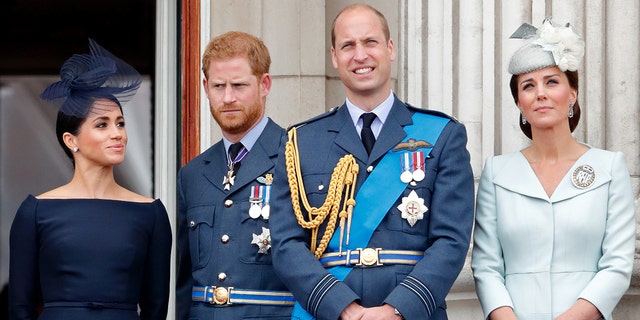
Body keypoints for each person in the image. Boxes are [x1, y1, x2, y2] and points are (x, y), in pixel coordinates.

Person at [269, 4, 474, 320]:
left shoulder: (442, 135)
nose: (360, 55)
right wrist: (343, 308)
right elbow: (285, 245)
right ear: (334, 56)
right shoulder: (300, 142)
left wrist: (396, 310)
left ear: (390, 49)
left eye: (370, 42)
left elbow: (451, 240)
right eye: (348, 45)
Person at [471, 19, 636, 320]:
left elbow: (617, 265)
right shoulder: (497, 172)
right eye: (528, 86)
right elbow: (486, 266)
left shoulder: (609, 167)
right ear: (519, 102)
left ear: (572, 93)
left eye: (552, 81)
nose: (540, 94)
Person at [9, 39, 172, 320]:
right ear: (71, 140)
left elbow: (155, 309)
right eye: (102, 125)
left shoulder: (151, 213)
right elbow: (20, 307)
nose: (117, 133)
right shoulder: (34, 211)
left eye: (120, 123)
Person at [176, 31, 293, 320]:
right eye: (218, 86)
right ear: (205, 87)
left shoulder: (296, 157)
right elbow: (185, 284)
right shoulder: (192, 174)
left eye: (239, 85)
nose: (228, 97)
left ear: (264, 84)